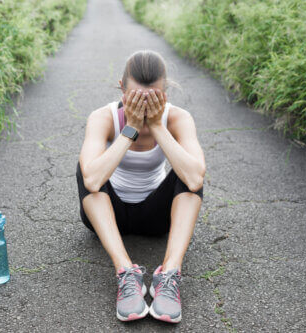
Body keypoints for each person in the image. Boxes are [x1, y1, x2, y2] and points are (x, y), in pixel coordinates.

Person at [76, 50, 205, 323]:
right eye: (135, 97)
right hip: (108, 215)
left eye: (153, 97)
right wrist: (130, 129)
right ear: (122, 89)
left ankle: (169, 274)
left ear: (165, 92)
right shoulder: (103, 117)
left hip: (156, 217)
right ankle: (126, 272)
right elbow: (92, 182)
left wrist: (158, 126)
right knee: (88, 168)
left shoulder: (178, 118)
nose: (144, 104)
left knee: (191, 170)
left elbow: (195, 180)